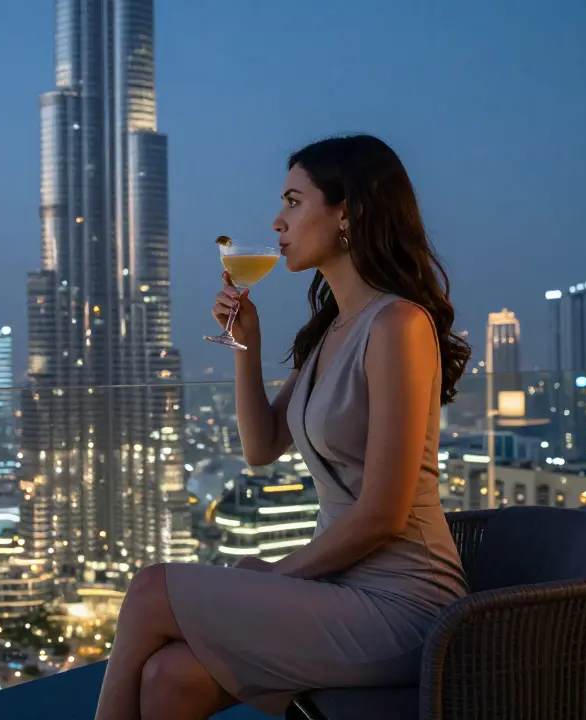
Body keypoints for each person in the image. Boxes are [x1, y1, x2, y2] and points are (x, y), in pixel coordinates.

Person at [94, 134, 471, 719]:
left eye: (295, 202)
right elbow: (261, 447)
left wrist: (277, 576)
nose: (277, 221)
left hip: (407, 604)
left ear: (349, 211)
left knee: (150, 589)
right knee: (171, 677)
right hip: (339, 589)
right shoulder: (329, 334)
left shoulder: (398, 325)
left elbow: (383, 514)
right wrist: (246, 346)